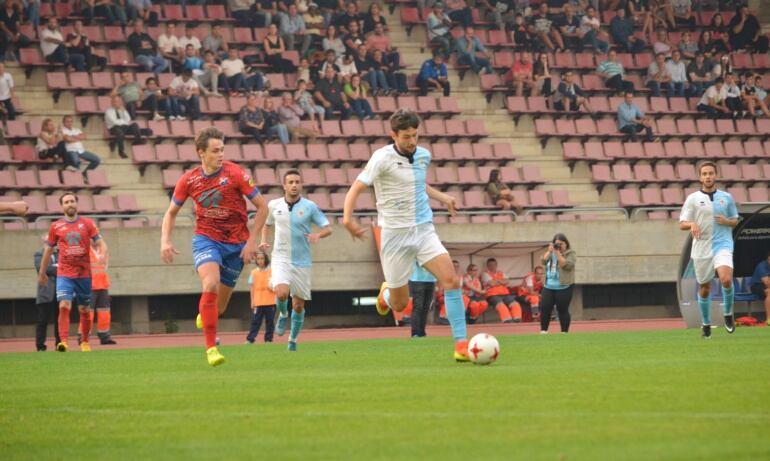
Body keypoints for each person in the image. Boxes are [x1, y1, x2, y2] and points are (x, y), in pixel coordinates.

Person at [342, 109, 470, 362]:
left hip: (423, 230)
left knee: (451, 281)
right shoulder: (381, 158)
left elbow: (416, 182)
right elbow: (356, 187)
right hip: (394, 235)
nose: (412, 141)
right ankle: (386, 294)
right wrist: (347, 219)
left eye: (415, 135)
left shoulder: (423, 155)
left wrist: (443, 197)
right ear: (394, 135)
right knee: (400, 305)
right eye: (406, 137)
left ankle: (462, 346)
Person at [161, 127, 268, 366]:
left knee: (218, 308)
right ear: (201, 152)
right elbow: (171, 213)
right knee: (209, 283)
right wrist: (165, 240)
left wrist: (251, 241)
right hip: (206, 239)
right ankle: (211, 349)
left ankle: (206, 314)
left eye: (222, 149)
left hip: (237, 244)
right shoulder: (189, 180)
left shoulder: (236, 173)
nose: (221, 154)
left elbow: (262, 207)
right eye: (215, 150)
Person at [261, 170, 331, 351]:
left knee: (298, 305)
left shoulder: (310, 206)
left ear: (301, 185)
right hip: (280, 258)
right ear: (284, 185)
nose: (294, 185)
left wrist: (318, 235)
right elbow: (266, 224)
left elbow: (327, 228)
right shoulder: (273, 205)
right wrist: (263, 240)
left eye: (297, 182)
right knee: (281, 293)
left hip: (302, 261)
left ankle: (292, 339)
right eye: (290, 182)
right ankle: (283, 314)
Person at [38, 192, 108, 352]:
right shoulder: (55, 226)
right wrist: (42, 273)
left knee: (84, 309)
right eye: (66, 202)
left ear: (76, 204)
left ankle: (84, 341)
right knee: (64, 305)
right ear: (62, 206)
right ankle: (63, 342)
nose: (69, 204)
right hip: (65, 274)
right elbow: (48, 251)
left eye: (72, 201)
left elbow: (101, 242)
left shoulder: (88, 223)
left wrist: (103, 254)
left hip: (83, 274)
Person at [679, 162, 739, 338]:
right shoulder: (692, 199)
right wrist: (692, 224)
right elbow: (682, 223)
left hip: (723, 244)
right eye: (704, 174)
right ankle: (705, 323)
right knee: (705, 287)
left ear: (716, 175)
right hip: (702, 247)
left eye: (711, 173)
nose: (708, 176)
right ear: (700, 177)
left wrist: (727, 222)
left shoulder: (726, 197)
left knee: (726, 279)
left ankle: (728, 314)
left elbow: (735, 220)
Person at [539, 233, 576, 334]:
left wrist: (557, 253)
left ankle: (564, 332)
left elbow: (566, 265)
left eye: (561, 244)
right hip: (548, 286)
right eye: (556, 244)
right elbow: (543, 261)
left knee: (562, 310)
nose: (558, 246)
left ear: (566, 244)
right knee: (545, 309)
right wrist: (549, 251)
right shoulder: (551, 252)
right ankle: (543, 331)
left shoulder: (570, 253)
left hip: (564, 286)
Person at [34, 243, 60, 351]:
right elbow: (41, 269)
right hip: (45, 292)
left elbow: (66, 268)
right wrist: (56, 268)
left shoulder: (61, 254)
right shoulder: (39, 254)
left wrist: (51, 268)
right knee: (42, 321)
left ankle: (60, 344)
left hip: (59, 292)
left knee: (59, 320)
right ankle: (40, 346)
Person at [245, 250, 276, 344]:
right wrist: (252, 301)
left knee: (270, 322)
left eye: (262, 258)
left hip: (270, 301)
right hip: (258, 301)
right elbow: (252, 288)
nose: (260, 260)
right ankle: (250, 339)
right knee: (255, 321)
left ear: (266, 259)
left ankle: (268, 340)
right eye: (258, 259)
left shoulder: (272, 271)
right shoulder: (254, 272)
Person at [88, 245, 116, 345]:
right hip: (89, 286)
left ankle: (105, 336)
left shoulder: (103, 249)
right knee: (88, 313)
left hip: (103, 285)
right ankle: (83, 337)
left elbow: (105, 267)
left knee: (105, 312)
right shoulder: (85, 249)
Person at [481, 257, 522, 323]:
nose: (492, 266)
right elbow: (492, 284)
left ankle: (517, 321)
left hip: (505, 294)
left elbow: (507, 281)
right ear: (487, 266)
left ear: (496, 265)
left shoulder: (501, 272)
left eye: (494, 264)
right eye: (490, 265)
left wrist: (496, 281)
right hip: (492, 295)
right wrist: (501, 281)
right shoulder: (485, 274)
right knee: (501, 306)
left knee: (515, 304)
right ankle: (507, 322)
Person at [408, 261, 436, 337]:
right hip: (417, 280)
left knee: (426, 308)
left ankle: (422, 332)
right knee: (418, 307)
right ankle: (415, 332)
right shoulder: (418, 249)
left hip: (431, 280)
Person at [750, 251, 770, 326]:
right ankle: (768, 319)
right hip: (757, 285)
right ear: (768, 258)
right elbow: (767, 283)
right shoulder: (762, 266)